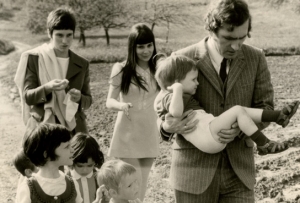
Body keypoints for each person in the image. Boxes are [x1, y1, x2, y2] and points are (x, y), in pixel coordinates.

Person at [158, 0, 290, 201]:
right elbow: (161, 110)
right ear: (211, 30)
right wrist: (168, 127)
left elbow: (265, 107)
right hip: (193, 174)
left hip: (240, 174)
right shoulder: (181, 59)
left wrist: (239, 128)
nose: (236, 46)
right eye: (228, 38)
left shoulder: (256, 58)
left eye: (242, 37)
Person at [155, 54, 298, 154]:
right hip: (205, 135)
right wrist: (178, 89)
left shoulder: (255, 56)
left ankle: (278, 116)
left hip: (210, 130)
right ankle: (263, 143)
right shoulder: (170, 96)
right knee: (237, 111)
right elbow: (175, 113)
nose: (197, 83)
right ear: (176, 81)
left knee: (241, 111)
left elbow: (264, 102)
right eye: (193, 80)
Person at [14, 7, 92, 134]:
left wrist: (79, 98)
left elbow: (88, 101)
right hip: (43, 127)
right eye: (59, 35)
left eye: (69, 35)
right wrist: (47, 88)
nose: (64, 41)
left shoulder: (82, 64)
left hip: (74, 128)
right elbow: (28, 97)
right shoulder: (35, 58)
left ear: (74, 34)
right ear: (49, 33)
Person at [106, 23, 160, 201]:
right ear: (132, 47)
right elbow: (109, 101)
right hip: (127, 133)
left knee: (141, 188)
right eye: (140, 46)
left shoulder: (158, 68)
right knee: (128, 187)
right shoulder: (122, 69)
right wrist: (121, 106)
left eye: (149, 45)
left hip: (149, 132)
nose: (146, 51)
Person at [15, 123, 83, 203]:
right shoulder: (27, 189)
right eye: (66, 147)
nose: (72, 150)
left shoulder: (73, 184)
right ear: (46, 154)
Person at [69, 133, 108, 203]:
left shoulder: (99, 178)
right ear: (72, 160)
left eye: (90, 165)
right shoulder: (67, 180)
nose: (85, 170)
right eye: (80, 166)